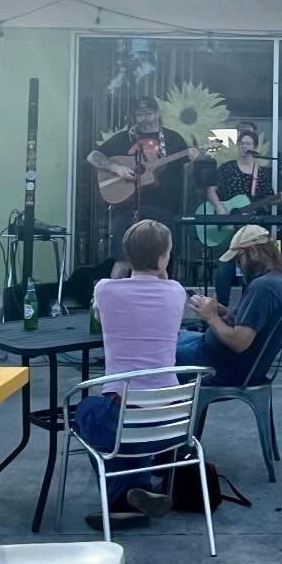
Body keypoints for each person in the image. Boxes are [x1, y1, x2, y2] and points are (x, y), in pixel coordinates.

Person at [73, 219, 185, 527]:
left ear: (127, 255)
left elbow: (99, 317)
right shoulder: (176, 292)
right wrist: (162, 274)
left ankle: (120, 502)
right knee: (131, 423)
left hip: (124, 417)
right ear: (163, 257)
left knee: (86, 410)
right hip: (172, 420)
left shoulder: (105, 290)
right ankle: (139, 490)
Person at [86, 95, 199, 274]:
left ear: (157, 113)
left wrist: (192, 160)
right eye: (139, 115)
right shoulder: (125, 138)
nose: (144, 118)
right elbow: (93, 156)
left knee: (163, 260)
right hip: (128, 207)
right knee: (123, 259)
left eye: (148, 113)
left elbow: (186, 173)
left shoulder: (173, 139)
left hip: (164, 207)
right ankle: (112, 292)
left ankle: (163, 293)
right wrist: (116, 168)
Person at [178, 224, 282, 386]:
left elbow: (239, 342)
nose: (238, 265)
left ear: (253, 252)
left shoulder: (263, 288)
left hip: (222, 367)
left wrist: (211, 317)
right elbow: (251, 322)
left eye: (238, 259)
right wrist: (220, 311)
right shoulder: (280, 280)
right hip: (219, 355)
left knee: (162, 354)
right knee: (175, 338)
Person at [206, 124, 282, 305]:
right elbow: (211, 189)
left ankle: (246, 309)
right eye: (241, 143)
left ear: (255, 148)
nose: (244, 147)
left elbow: (269, 198)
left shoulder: (261, 173)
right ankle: (221, 308)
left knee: (251, 268)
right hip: (229, 226)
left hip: (251, 229)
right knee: (224, 268)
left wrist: (280, 199)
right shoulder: (227, 168)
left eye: (248, 143)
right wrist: (219, 207)